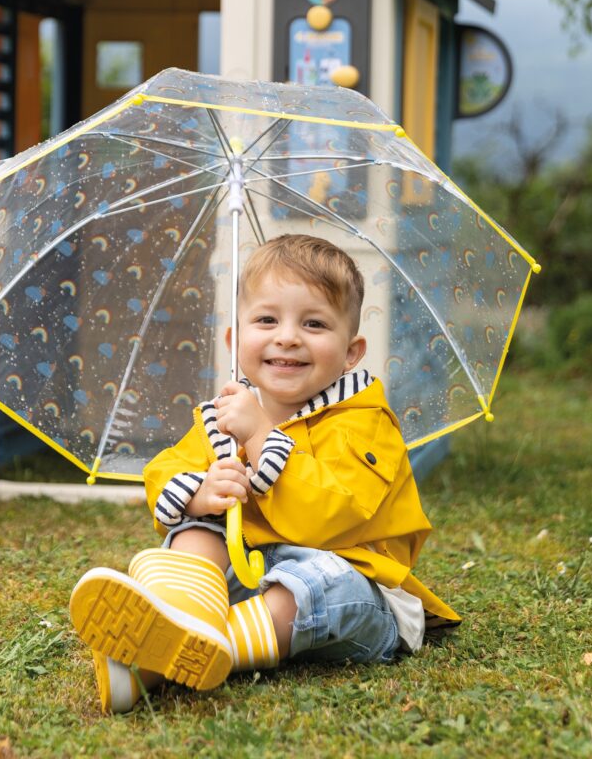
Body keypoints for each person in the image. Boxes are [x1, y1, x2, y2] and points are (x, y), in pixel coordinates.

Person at [69, 234, 460, 713]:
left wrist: (261, 436)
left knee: (326, 580)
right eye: (267, 320)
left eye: (314, 323)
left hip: (352, 592)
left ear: (351, 351)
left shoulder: (366, 422)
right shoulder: (226, 415)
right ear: (236, 339)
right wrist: (200, 494)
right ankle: (182, 615)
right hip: (253, 578)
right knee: (197, 528)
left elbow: (331, 514)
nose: (288, 336)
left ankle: (187, 653)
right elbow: (167, 468)